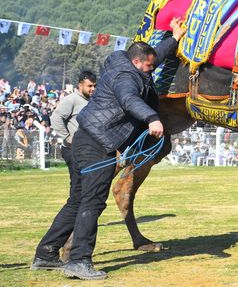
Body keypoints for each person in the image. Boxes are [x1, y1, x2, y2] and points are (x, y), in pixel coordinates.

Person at [31, 17, 185, 280]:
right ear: (137, 63)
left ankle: (45, 253)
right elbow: (128, 99)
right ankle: (79, 260)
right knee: (92, 201)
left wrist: (175, 38)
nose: (151, 70)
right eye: (148, 67)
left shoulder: (127, 62)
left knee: (77, 200)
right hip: (98, 144)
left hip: (85, 139)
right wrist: (152, 118)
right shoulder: (126, 77)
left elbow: (153, 56)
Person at [49, 71, 96, 173]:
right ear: (80, 85)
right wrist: (68, 137)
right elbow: (56, 118)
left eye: (94, 86)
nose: (93, 89)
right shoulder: (71, 99)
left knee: (88, 183)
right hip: (73, 150)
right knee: (78, 185)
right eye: (90, 86)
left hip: (88, 150)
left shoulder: (93, 100)